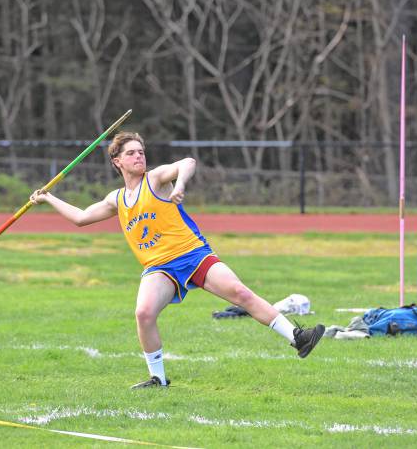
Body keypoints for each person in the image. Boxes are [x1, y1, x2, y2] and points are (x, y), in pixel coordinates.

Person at [30, 132, 324, 388]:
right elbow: (81, 218)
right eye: (131, 153)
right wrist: (48, 198)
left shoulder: (156, 179)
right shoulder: (116, 199)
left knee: (240, 293)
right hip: (159, 267)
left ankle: (299, 337)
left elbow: (187, 163)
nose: (138, 157)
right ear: (117, 161)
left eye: (141, 152)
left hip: (192, 253)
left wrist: (180, 183)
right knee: (143, 314)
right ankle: (157, 378)